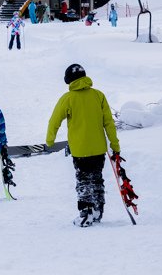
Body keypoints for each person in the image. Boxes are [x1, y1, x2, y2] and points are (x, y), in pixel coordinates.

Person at [46, 64, 121, 227]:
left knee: (83, 180)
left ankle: (86, 213)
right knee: (96, 179)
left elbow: (54, 121)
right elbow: (109, 123)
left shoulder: (67, 98)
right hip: (99, 148)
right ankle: (98, 210)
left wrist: (50, 140)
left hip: (80, 149)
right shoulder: (98, 95)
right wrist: (115, 145)